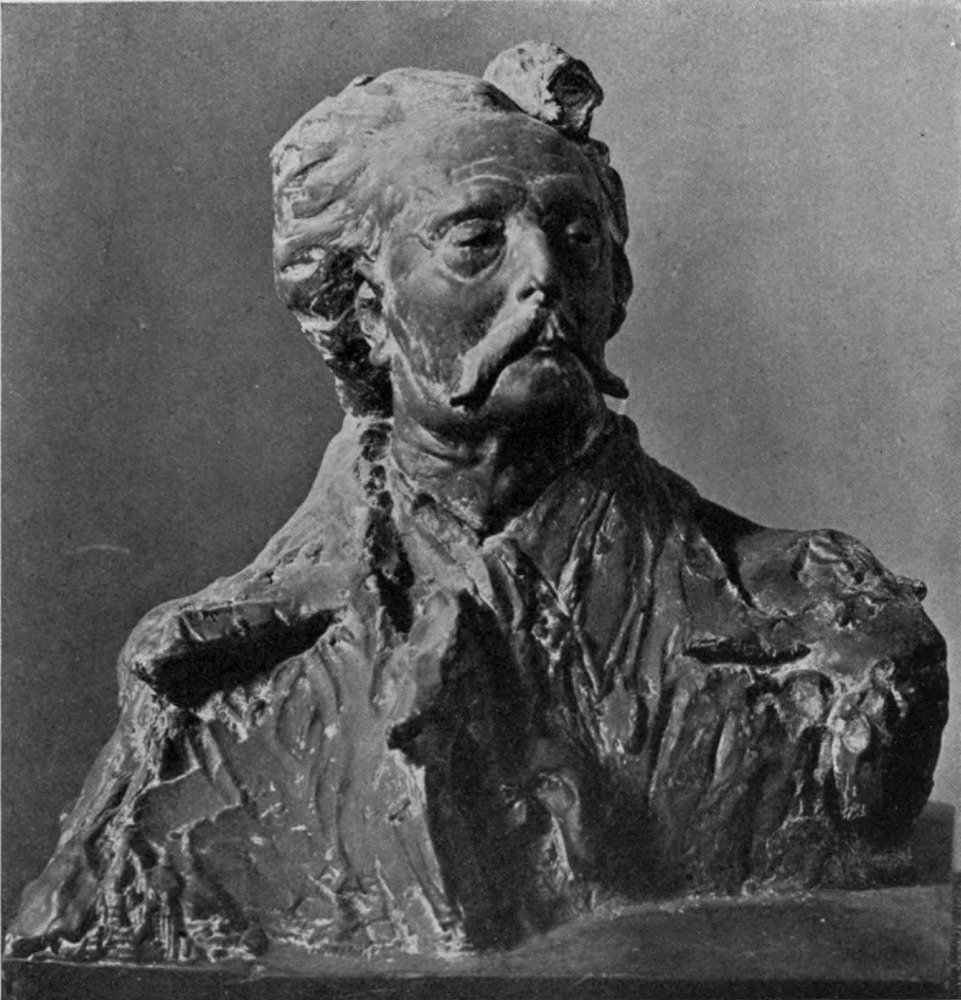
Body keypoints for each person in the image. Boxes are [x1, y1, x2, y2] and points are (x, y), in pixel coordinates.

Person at [7, 42, 947, 961]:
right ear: (363, 306)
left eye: (576, 237)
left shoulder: (829, 630)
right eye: (473, 240)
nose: (542, 275)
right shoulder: (212, 677)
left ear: (615, 286)